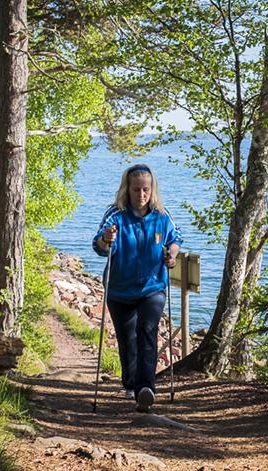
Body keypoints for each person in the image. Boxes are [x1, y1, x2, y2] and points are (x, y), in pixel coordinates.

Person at [93, 163, 182, 413]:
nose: (141, 195)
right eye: (136, 190)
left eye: (145, 189)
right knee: (127, 339)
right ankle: (131, 383)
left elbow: (174, 239)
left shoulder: (161, 215)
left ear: (152, 189)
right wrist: (106, 240)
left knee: (147, 329)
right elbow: (99, 246)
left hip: (152, 286)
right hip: (119, 290)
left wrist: (171, 256)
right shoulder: (115, 215)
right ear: (127, 190)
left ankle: (147, 389)